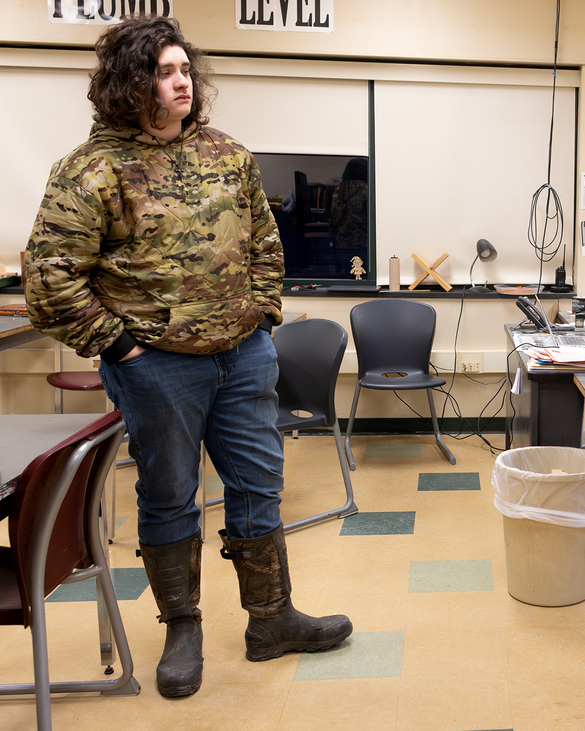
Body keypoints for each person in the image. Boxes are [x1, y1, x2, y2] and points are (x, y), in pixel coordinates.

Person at [22, 16, 352, 699]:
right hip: (156, 366)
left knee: (259, 484)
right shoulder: (91, 169)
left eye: (185, 70)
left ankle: (272, 620)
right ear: (129, 84)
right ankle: (183, 629)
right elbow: (50, 278)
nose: (181, 82)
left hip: (243, 357)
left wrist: (262, 315)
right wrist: (121, 347)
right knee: (170, 495)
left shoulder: (227, 154)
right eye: (165, 72)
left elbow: (266, 239)